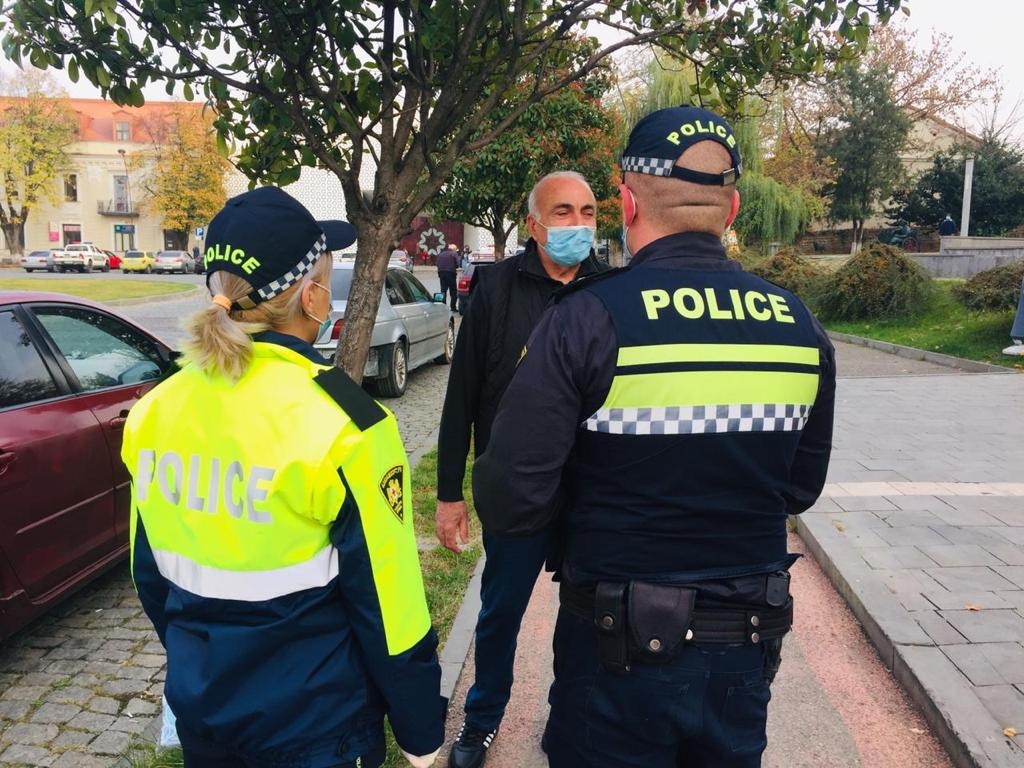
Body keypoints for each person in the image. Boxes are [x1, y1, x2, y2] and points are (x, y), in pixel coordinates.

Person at [473, 106, 837, 767]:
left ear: (628, 202)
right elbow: (800, 488)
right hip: (744, 645)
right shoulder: (799, 325)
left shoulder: (586, 318)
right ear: (731, 209)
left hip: (614, 648)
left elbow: (510, 497)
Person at [122, 186, 445, 768]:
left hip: (204, 714)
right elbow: (388, 603)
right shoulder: (347, 423)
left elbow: (149, 574)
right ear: (311, 296)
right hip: (316, 725)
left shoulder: (156, 409)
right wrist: (420, 729)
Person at [436, 170, 607, 768]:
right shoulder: (496, 288)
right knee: (500, 613)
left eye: (588, 212)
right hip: (515, 488)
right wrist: (449, 493)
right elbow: (461, 394)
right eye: (563, 212)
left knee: (586, 617)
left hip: (591, 491)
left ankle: (569, 718)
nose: (578, 224)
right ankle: (482, 720)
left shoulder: (611, 290)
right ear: (534, 225)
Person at [437, 243, 461, 310]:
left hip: (441, 273)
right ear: (454, 249)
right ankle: (453, 307)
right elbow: (458, 264)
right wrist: (454, 266)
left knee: (443, 290)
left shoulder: (441, 254)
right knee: (453, 291)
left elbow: (437, 264)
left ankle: (443, 306)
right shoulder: (454, 254)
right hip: (451, 273)